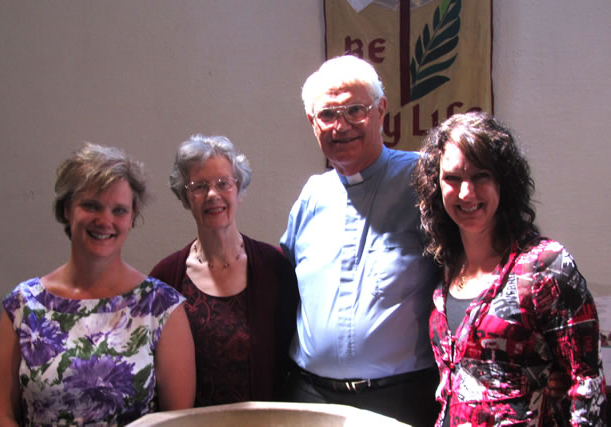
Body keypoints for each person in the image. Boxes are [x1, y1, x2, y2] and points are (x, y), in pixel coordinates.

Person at [412, 111, 607, 426]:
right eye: (453, 178)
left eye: (480, 176)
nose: (466, 193)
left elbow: (587, 387)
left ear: (504, 181)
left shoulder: (546, 266)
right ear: (436, 184)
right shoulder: (446, 265)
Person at [279, 55, 441, 426]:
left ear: (381, 110)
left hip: (400, 397)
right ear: (312, 122)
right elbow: (283, 280)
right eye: (328, 115)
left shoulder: (423, 181)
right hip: (310, 398)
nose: (342, 126)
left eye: (355, 110)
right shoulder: (311, 195)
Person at [0, 143, 196, 426]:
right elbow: (0, 415)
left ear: (132, 216)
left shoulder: (162, 307)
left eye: (119, 210)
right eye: (91, 206)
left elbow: (177, 422)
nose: (105, 220)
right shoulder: (22, 305)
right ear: (66, 210)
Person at [150, 134, 299, 406]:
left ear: (238, 189)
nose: (212, 195)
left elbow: (294, 362)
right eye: (199, 186)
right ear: (185, 196)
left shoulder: (276, 268)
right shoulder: (165, 279)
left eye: (223, 183)